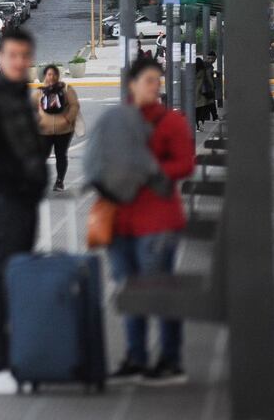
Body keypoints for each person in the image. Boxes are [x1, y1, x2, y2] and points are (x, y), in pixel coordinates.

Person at [0, 28, 48, 395]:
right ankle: (0, 363)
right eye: (12, 55)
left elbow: (33, 146)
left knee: (20, 276)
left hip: (25, 198)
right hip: (5, 199)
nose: (19, 61)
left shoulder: (21, 96)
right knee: (5, 275)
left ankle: (21, 357)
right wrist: (18, 175)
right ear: (0, 58)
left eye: (24, 56)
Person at [108, 58, 195, 386]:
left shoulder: (170, 122)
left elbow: (185, 164)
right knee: (130, 291)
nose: (155, 86)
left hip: (158, 221)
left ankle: (170, 359)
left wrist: (151, 171)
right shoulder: (119, 120)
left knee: (159, 291)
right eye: (148, 80)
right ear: (132, 84)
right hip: (122, 222)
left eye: (158, 80)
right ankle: (136, 357)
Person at [33, 64, 80, 191]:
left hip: (64, 130)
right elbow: (29, 108)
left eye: (54, 74)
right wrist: (36, 121)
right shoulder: (39, 91)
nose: (51, 77)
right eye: (49, 74)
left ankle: (59, 181)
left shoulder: (66, 89)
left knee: (61, 155)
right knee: (41, 156)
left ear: (58, 76)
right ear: (45, 76)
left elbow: (74, 105)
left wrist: (67, 119)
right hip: (44, 131)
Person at [194, 58, 215, 131]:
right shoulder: (203, 71)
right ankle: (201, 120)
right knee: (204, 108)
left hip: (195, 92)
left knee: (196, 110)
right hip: (202, 91)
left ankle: (197, 126)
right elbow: (208, 79)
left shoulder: (192, 72)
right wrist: (212, 86)